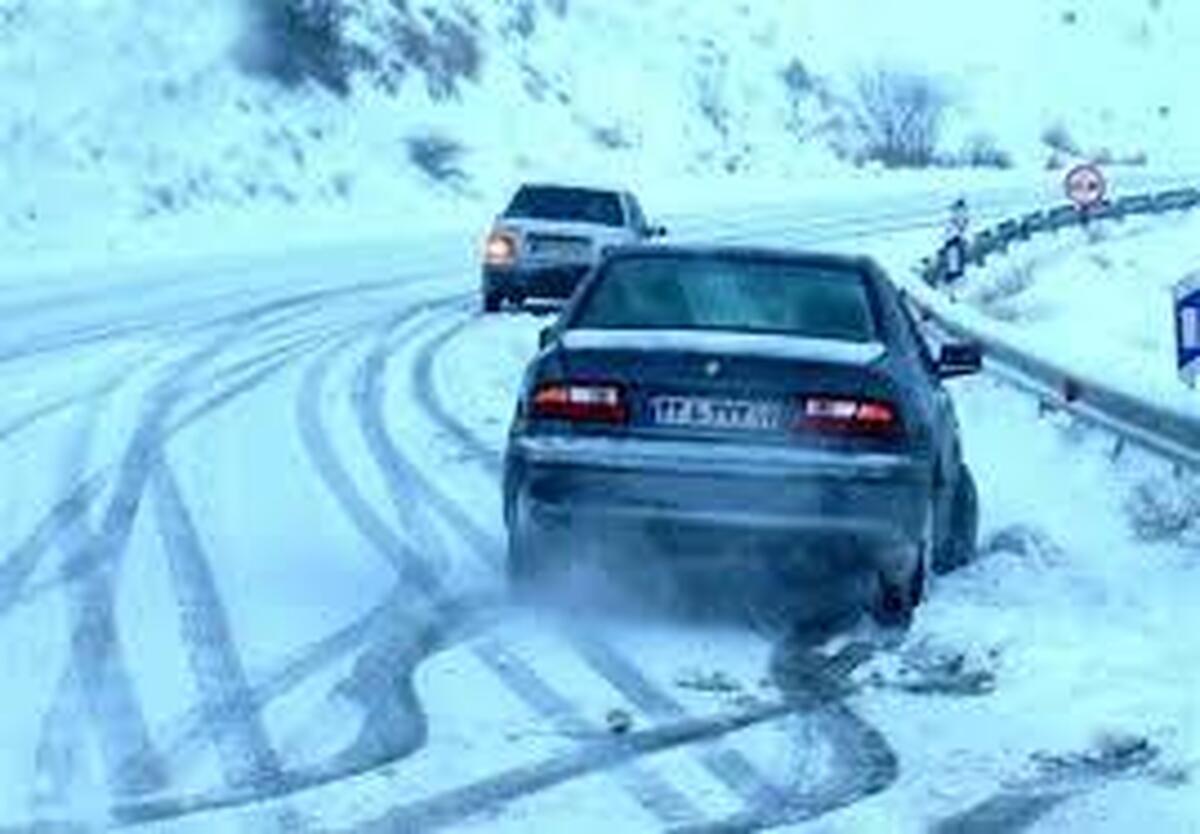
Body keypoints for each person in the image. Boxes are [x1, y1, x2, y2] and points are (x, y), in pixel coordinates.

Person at [940, 197, 969, 285]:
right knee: (954, 257)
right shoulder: (958, 215)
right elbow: (960, 226)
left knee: (955, 257)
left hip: (955, 240)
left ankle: (954, 275)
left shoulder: (959, 215)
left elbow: (960, 226)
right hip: (954, 239)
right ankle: (954, 275)